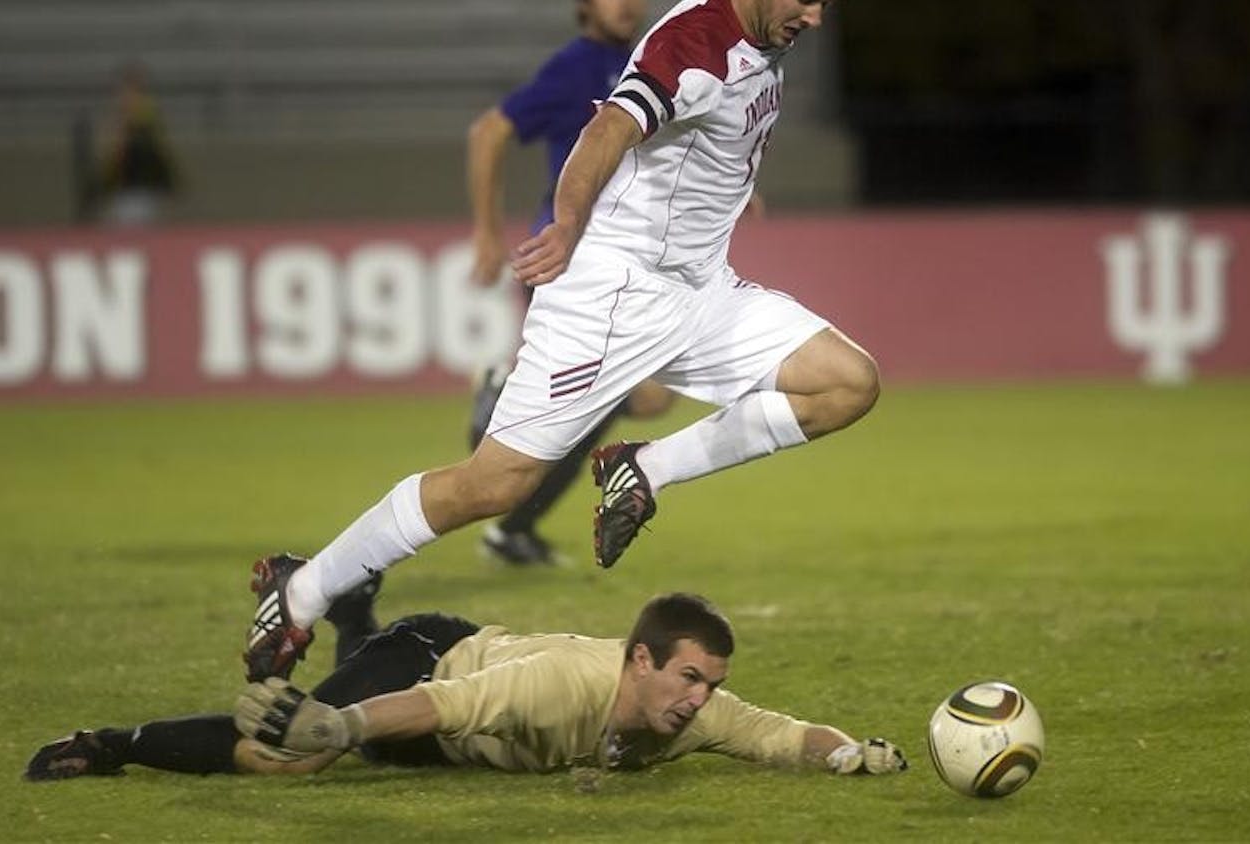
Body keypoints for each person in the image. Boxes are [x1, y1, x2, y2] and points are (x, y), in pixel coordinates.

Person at [243, 0, 878, 683]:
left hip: (701, 291)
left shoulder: (764, 41)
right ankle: (301, 590)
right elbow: (606, 131)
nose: (815, 17)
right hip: (615, 295)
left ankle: (646, 468)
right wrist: (569, 224)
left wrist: (730, 185)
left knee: (848, 383)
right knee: (495, 484)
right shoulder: (696, 43)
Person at [27, 593, 907, 780]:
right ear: (639, 660)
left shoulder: (693, 712)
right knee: (286, 759)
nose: (699, 699)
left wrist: (850, 756)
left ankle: (353, 611)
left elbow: (780, 734)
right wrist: (339, 728)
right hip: (431, 660)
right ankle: (111, 744)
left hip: (448, 741)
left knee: (373, 747)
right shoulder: (563, 684)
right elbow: (445, 704)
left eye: (711, 684)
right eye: (688, 677)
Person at [465, 0, 674, 566]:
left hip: (627, 263)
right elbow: (488, 132)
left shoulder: (646, 59)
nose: (627, 4)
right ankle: (502, 414)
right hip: (571, 260)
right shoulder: (576, 67)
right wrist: (487, 232)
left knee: (644, 399)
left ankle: (511, 512)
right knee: (613, 402)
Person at [97, 61, 179, 226]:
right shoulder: (131, 109)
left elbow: (150, 145)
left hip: (138, 180)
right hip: (130, 182)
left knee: (137, 219)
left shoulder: (141, 109)